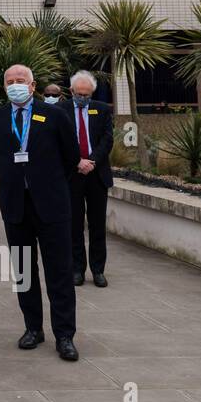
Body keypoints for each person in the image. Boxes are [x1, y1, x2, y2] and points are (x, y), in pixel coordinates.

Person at [0, 64, 81, 362]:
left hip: (52, 205)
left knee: (59, 271)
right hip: (15, 205)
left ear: (32, 85)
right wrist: (17, 179)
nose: (15, 85)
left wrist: (43, 181)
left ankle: (64, 335)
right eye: (10, 81)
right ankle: (32, 328)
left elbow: (71, 156)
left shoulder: (54, 115)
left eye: (20, 81)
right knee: (24, 271)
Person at [62, 70, 114, 287]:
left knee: (97, 225)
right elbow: (59, 141)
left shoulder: (102, 110)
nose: (82, 98)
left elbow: (107, 139)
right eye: (79, 94)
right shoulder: (60, 110)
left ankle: (98, 270)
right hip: (72, 175)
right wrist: (77, 161)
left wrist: (91, 161)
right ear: (72, 91)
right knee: (74, 224)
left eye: (87, 94)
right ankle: (77, 269)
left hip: (96, 174)